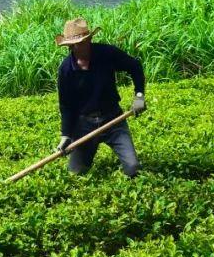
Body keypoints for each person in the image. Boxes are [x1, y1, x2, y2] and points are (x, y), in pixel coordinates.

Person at [54, 18, 146, 177]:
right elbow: (66, 106)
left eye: (84, 41)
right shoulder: (66, 70)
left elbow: (135, 67)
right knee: (75, 173)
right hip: (84, 125)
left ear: (90, 39)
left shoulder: (106, 54)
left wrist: (139, 96)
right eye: (77, 44)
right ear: (70, 46)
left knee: (133, 168)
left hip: (113, 119)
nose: (82, 46)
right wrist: (66, 135)